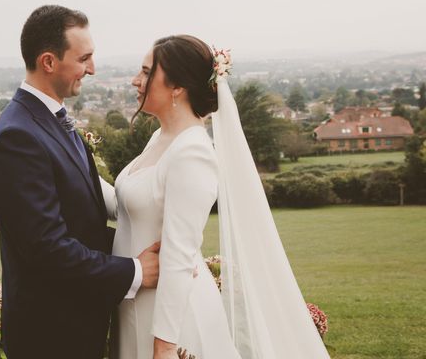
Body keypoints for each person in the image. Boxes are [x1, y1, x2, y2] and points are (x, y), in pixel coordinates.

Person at [111, 35, 331, 359]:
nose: (135, 81)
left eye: (146, 72)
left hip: (171, 321)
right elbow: (130, 200)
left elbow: (179, 256)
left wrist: (165, 347)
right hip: (137, 304)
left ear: (177, 87)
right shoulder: (161, 137)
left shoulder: (192, 152)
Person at [0, 5, 160, 359]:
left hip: (79, 325)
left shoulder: (50, 121)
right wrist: (135, 270)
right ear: (49, 62)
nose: (92, 69)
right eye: (84, 58)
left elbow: (83, 221)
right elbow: (47, 248)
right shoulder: (17, 137)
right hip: (50, 335)